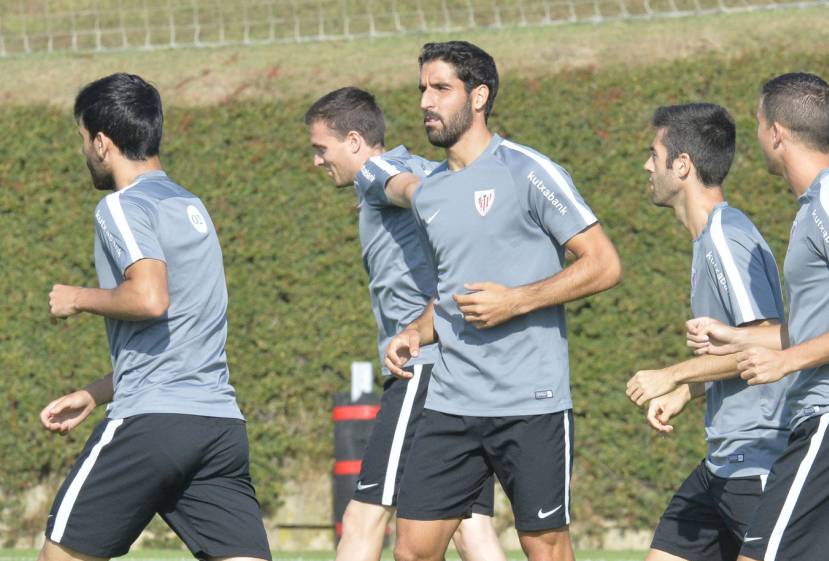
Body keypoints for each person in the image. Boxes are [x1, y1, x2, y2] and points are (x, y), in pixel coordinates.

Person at [369, 41, 621, 561]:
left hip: (530, 402)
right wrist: (414, 333)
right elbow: (450, 294)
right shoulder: (431, 193)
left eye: (441, 88)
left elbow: (603, 263)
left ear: (478, 96)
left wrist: (517, 301)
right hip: (451, 401)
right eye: (422, 89)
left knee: (545, 548)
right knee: (412, 549)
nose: (425, 102)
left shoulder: (528, 171)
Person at [38, 73, 270, 561]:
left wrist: (77, 298)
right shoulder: (190, 206)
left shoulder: (122, 206)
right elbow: (178, 338)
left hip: (151, 424)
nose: (84, 151)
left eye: (83, 139)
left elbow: (149, 299)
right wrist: (93, 393)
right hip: (219, 429)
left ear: (102, 143)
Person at [688, 73, 829, 561]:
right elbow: (821, 327)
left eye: (758, 123)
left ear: (776, 133)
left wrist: (787, 363)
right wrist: (738, 338)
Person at [304, 87, 506, 561]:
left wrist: (426, 197)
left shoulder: (378, 172)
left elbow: (406, 188)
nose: (316, 161)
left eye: (321, 148)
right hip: (468, 367)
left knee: (364, 516)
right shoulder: (430, 166)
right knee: (469, 526)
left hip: (423, 367)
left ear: (354, 141)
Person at [625, 103, 790, 561]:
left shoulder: (724, 237)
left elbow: (766, 342)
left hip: (756, 461)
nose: (647, 166)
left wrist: (673, 374)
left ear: (682, 165)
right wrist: (688, 392)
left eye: (654, 155)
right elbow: (733, 351)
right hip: (721, 463)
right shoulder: (709, 239)